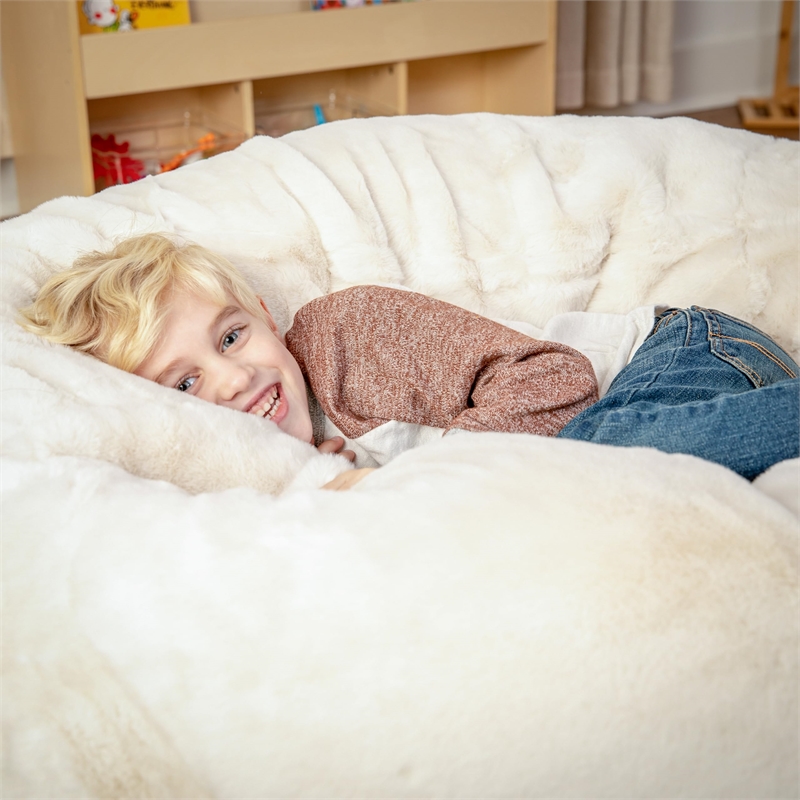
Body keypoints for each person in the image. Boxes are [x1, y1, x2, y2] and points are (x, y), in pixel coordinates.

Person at [18, 234, 799, 489]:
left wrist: (409, 484)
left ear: (262, 313)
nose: (233, 379)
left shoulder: (347, 338)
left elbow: (557, 382)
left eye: (230, 338)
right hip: (675, 398)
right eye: (185, 384)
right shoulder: (275, 465)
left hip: (683, 356)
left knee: (585, 463)